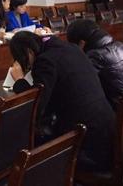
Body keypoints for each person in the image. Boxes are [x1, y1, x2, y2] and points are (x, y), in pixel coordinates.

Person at [9, 32, 115, 172]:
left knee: (29, 134)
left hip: (86, 143)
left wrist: (19, 80)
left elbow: (36, 106)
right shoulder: (72, 48)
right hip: (107, 131)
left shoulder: (45, 61)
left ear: (29, 52)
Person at [67, 19, 123, 108]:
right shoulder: (121, 45)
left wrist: (78, 56)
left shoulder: (94, 56)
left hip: (118, 108)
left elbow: (79, 85)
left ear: (81, 43)